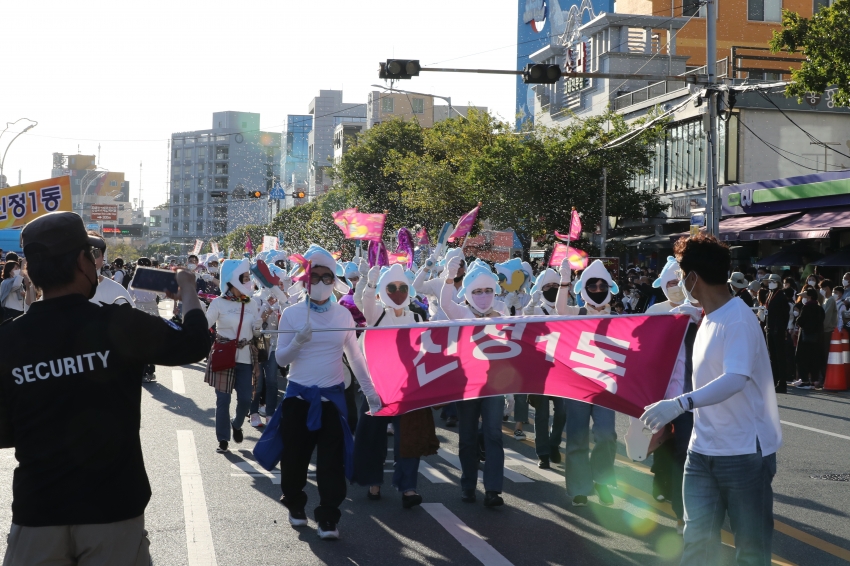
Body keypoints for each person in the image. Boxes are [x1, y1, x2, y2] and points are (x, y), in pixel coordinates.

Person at [0, 211, 209, 565]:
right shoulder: (118, 324)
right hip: (113, 512)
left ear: (31, 271)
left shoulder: (8, 339)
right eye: (91, 255)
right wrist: (188, 290)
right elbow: (195, 343)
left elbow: (4, 433)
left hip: (38, 512)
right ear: (81, 262)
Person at [640, 234, 781, 566]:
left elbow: (735, 378)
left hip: (744, 452)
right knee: (697, 543)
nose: (679, 282)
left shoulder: (738, 319)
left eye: (681, 274)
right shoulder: (707, 317)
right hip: (702, 451)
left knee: (750, 549)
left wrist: (680, 404)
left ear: (693, 277)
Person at [275, 245, 380, 540]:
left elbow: (355, 357)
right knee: (295, 459)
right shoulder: (291, 314)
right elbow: (281, 359)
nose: (321, 282)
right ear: (305, 279)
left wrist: (370, 393)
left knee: (332, 462)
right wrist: (297, 342)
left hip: (333, 399)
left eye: (327, 277)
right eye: (315, 276)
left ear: (335, 280)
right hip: (298, 399)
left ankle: (329, 516)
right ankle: (295, 503)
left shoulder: (343, 316)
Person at [351, 263, 437, 508]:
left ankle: (408, 487)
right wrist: (370, 284)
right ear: (382, 290)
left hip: (407, 388)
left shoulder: (417, 317)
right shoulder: (377, 314)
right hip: (376, 388)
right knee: (372, 437)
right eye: (391, 287)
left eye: (402, 287)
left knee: (409, 437)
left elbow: (427, 348)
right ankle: (373, 482)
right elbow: (367, 304)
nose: (397, 292)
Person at [439, 256, 506, 508]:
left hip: (494, 386)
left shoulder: (502, 314)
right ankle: (468, 485)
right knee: (467, 436)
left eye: (488, 290)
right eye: (477, 291)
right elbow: (445, 303)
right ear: (467, 293)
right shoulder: (461, 313)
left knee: (493, 435)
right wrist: (449, 276)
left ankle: (493, 490)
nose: (483, 295)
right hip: (466, 385)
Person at [555, 258, 619, 507]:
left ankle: (601, 480)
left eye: (603, 285)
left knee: (606, 435)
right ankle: (579, 487)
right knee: (577, 436)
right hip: (577, 384)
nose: (598, 289)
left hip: (606, 385)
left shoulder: (619, 318)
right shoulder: (575, 313)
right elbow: (560, 309)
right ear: (584, 288)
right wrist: (564, 282)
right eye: (592, 285)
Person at [204, 258, 263, 453]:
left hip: (245, 358)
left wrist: (257, 328)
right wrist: (197, 314)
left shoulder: (251, 303)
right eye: (244, 277)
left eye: (248, 277)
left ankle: (236, 424)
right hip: (224, 356)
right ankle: (223, 439)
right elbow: (205, 324)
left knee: (246, 399)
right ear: (232, 279)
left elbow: (255, 334)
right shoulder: (218, 303)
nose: (248, 281)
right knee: (223, 400)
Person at [523, 267, 568, 469]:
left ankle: (554, 443)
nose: (552, 289)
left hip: (562, 368)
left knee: (562, 412)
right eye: (548, 286)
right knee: (541, 415)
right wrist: (531, 303)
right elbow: (524, 320)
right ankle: (542, 453)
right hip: (539, 369)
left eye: (556, 285)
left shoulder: (565, 309)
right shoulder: (535, 309)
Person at [88, 233, 135, 307]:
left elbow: (131, 313)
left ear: (103, 257)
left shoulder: (118, 291)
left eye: (95, 253)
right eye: (86, 253)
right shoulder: (68, 290)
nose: (90, 258)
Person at [765, 274, 789, 394]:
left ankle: (782, 382)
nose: (770, 283)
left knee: (780, 357)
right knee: (772, 357)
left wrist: (780, 328)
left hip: (777, 330)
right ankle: (774, 380)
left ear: (778, 283)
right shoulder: (770, 294)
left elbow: (784, 315)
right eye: (769, 282)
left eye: (772, 282)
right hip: (770, 328)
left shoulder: (781, 296)